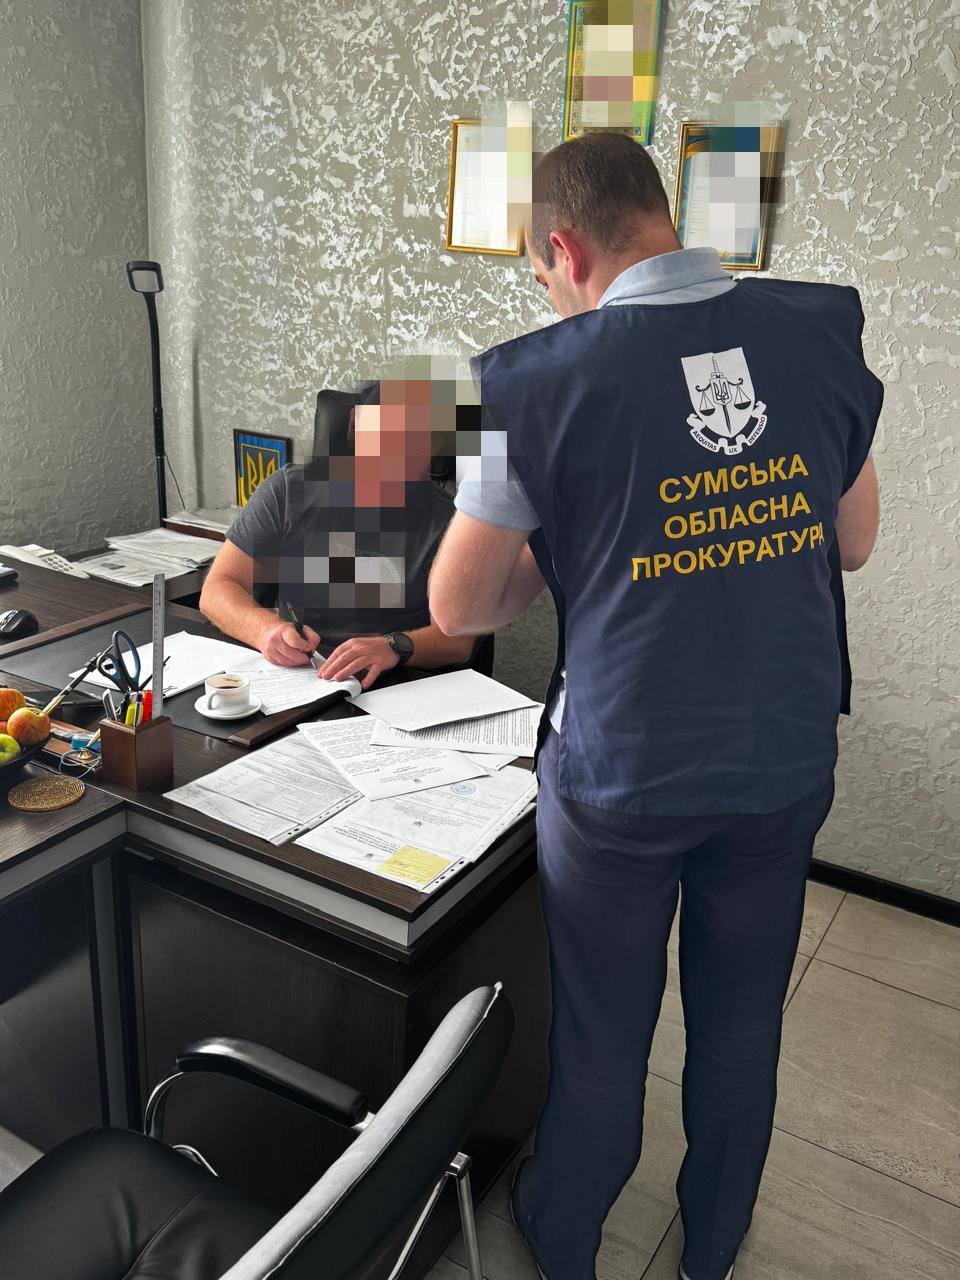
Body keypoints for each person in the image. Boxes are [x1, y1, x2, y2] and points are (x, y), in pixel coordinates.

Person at [428, 133, 882, 1280]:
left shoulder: (515, 380)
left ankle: (566, 1235)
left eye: (543, 272)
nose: (549, 292)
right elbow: (854, 541)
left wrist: (579, 544)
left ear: (564, 248)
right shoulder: (820, 329)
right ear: (662, 215)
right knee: (741, 1029)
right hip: (781, 757)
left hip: (620, 775)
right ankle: (712, 1243)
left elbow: (460, 601)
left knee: (602, 1041)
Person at [201, 380, 475, 689]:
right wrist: (265, 631)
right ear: (355, 424)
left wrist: (393, 647)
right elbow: (218, 588)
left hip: (392, 684)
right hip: (297, 676)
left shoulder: (452, 524)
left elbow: (458, 642)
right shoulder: (289, 492)